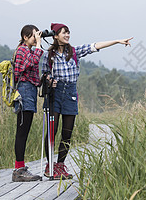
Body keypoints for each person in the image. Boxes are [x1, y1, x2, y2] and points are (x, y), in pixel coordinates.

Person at [40, 22, 132, 179]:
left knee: (67, 133)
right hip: (54, 94)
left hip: (70, 94)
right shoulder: (48, 55)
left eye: (68, 32)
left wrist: (117, 41)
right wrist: (49, 79)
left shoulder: (74, 52)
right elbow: (42, 74)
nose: (67, 35)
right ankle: (50, 166)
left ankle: (60, 165)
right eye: (64, 33)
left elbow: (95, 46)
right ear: (55, 36)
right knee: (52, 132)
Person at [11, 25, 44, 182]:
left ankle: (20, 168)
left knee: (24, 131)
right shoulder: (23, 50)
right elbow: (33, 60)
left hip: (29, 91)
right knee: (22, 132)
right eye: (33, 36)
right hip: (24, 92)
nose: (35, 38)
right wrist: (38, 44)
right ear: (25, 37)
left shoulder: (27, 50)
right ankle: (19, 170)